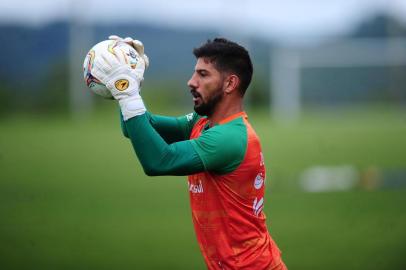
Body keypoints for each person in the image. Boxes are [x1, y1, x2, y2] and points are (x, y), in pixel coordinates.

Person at [92, 36, 287, 270]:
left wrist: (128, 93)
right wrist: (132, 77)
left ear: (230, 84)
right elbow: (139, 129)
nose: (191, 82)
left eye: (203, 74)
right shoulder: (203, 121)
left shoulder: (230, 138)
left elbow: (159, 161)